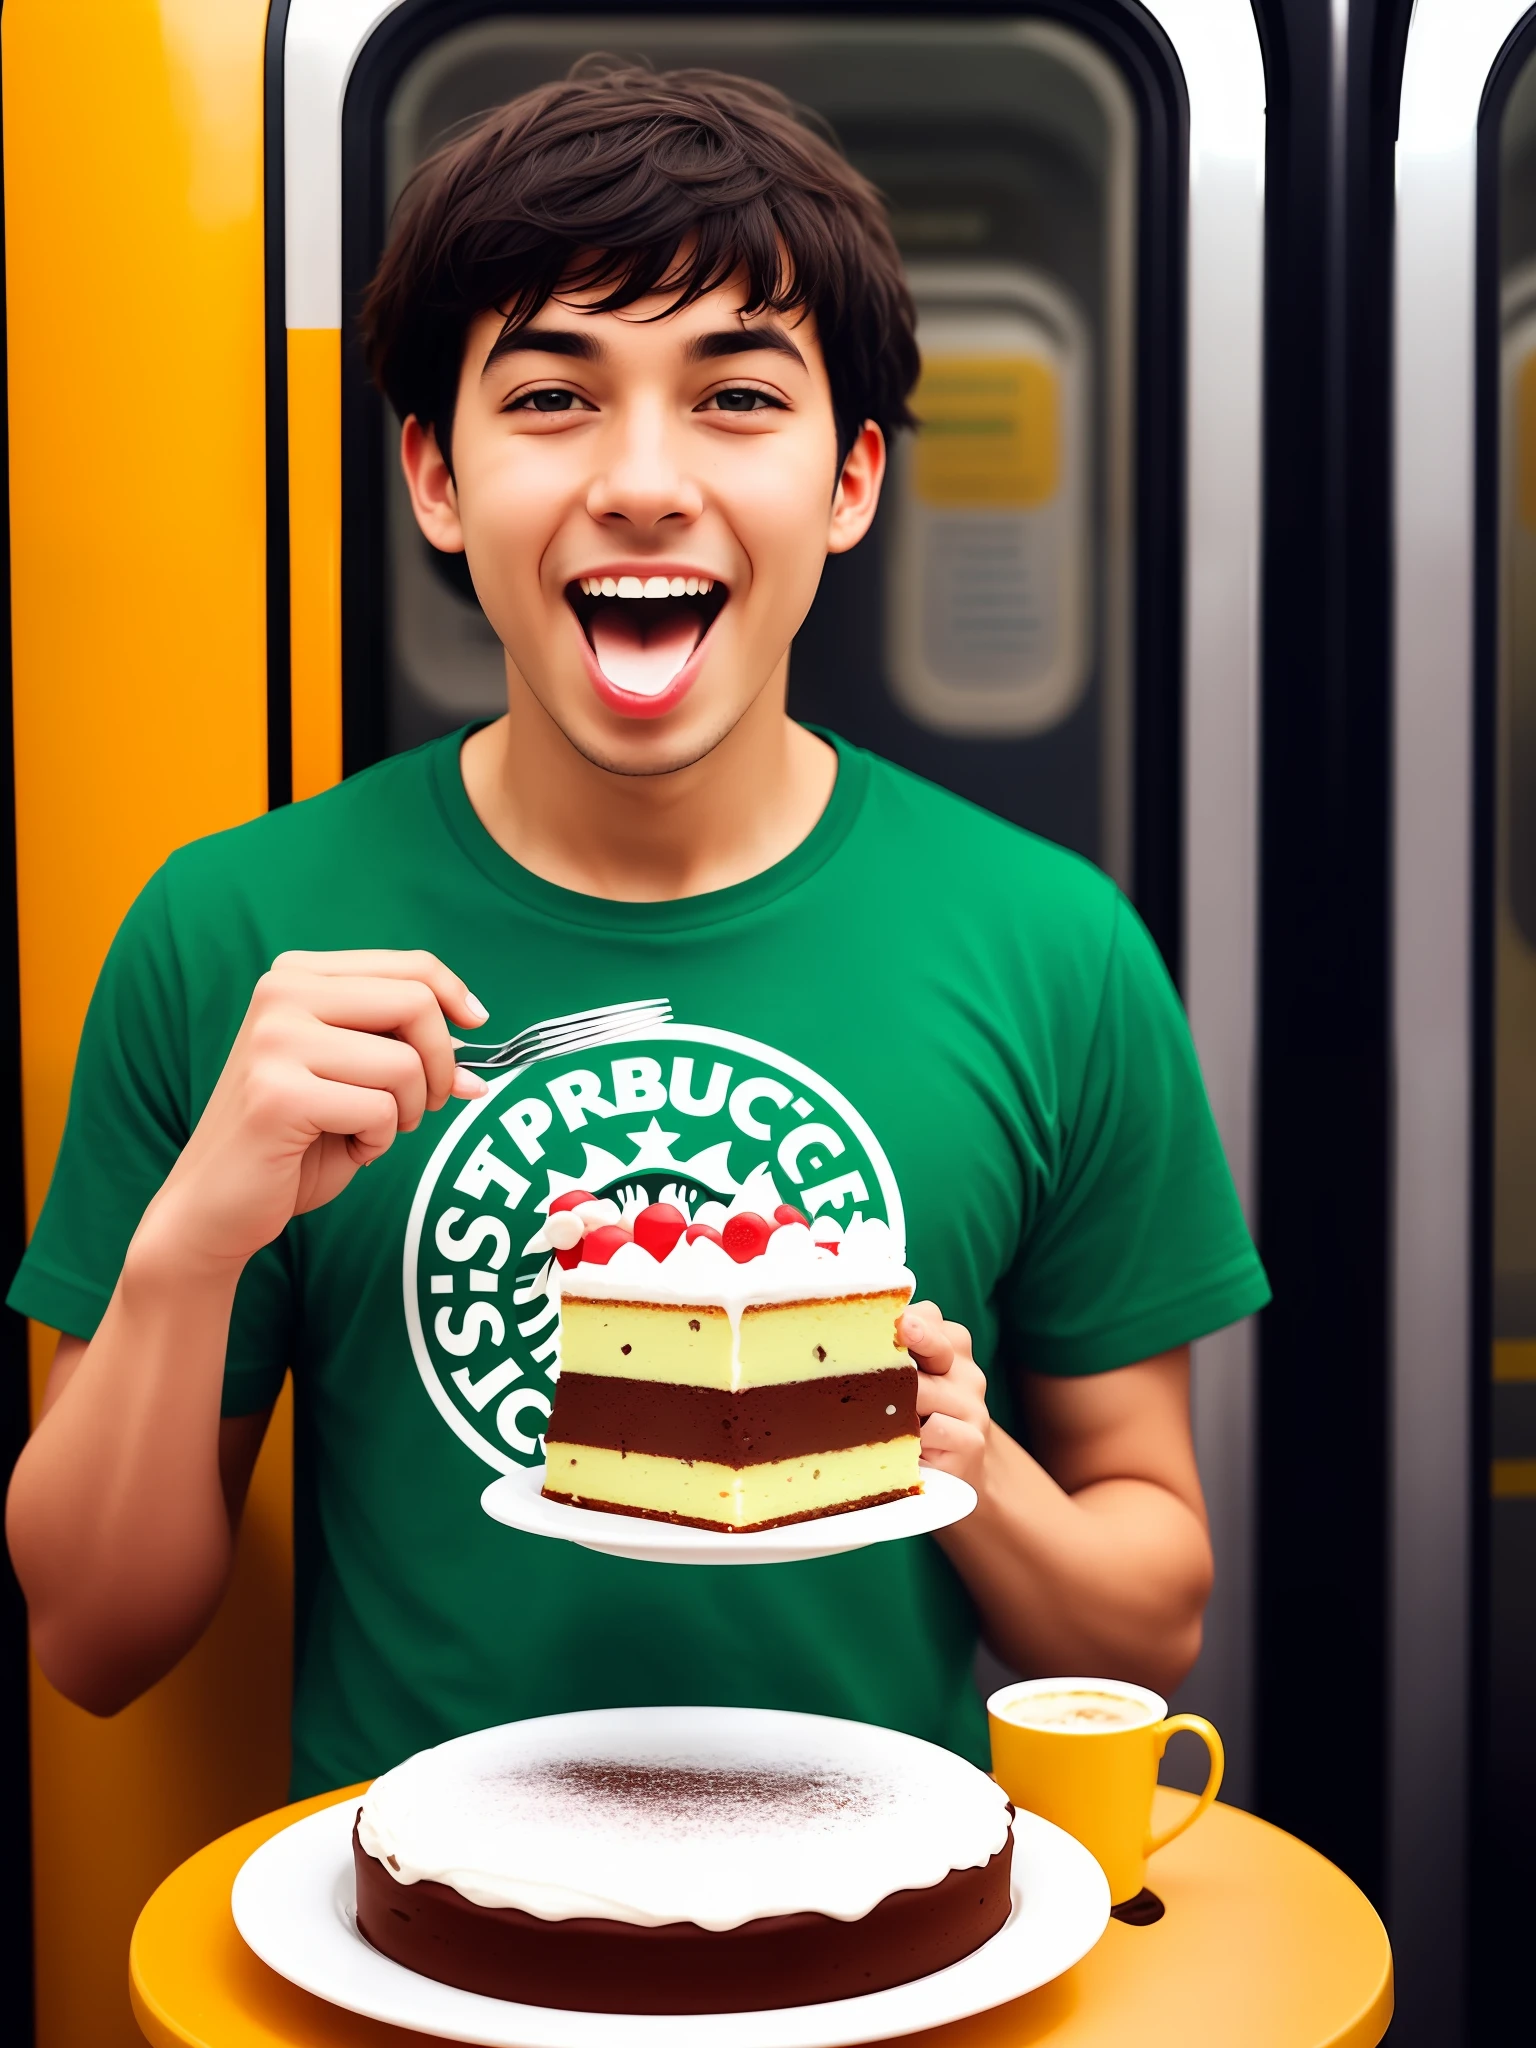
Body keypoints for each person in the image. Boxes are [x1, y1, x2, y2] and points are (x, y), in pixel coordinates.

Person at [5, 61, 1268, 1796]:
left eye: (739, 395)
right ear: (438, 479)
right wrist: (192, 1243)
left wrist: (960, 1457)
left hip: (876, 1941)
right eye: (553, 397)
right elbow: (91, 1640)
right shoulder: (231, 935)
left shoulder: (1056, 949)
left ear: (851, 481)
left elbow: (1141, 1633)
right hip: (409, 1947)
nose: (645, 482)